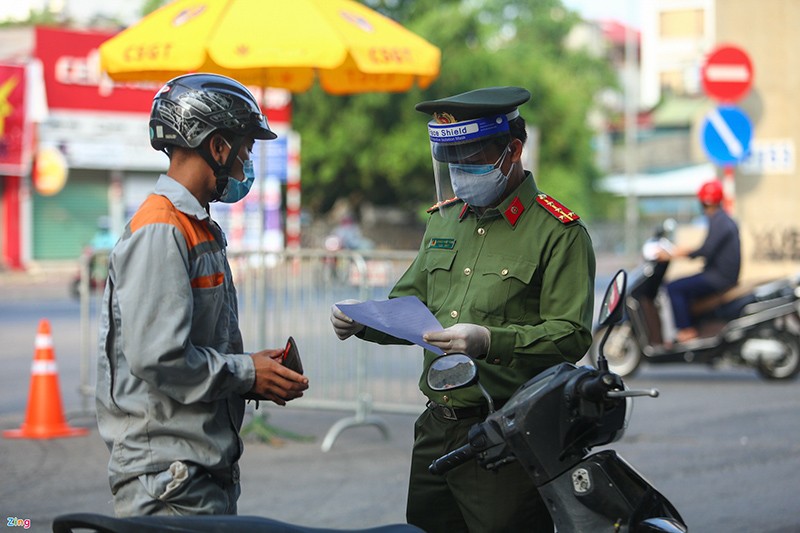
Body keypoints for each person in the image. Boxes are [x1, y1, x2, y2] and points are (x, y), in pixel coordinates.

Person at [330, 87, 596, 532]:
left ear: (513, 151)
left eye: (470, 157)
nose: (460, 171)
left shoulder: (558, 232)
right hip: (437, 427)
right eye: (451, 158)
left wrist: (490, 342)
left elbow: (570, 334)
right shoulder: (443, 219)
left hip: (508, 433)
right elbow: (409, 308)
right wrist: (362, 320)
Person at [95, 73, 309, 517]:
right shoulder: (161, 229)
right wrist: (245, 373)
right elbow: (161, 357)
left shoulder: (195, 226)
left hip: (196, 471)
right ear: (217, 147)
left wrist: (255, 368)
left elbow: (194, 347)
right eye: (244, 149)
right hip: (168, 483)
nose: (245, 165)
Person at [656, 179, 741, 343]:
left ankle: (686, 330)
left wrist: (673, 254)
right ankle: (694, 324)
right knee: (682, 286)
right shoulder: (720, 219)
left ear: (703, 202)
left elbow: (706, 250)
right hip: (718, 274)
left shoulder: (720, 221)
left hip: (718, 277)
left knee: (674, 287)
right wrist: (680, 251)